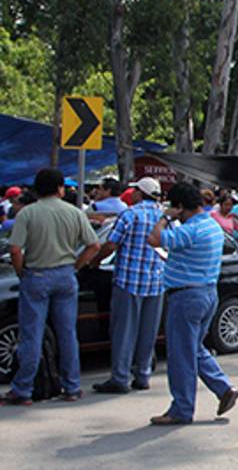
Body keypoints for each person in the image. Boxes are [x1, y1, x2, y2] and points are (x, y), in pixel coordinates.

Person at [1, 169, 100, 406]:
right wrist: (76, 265)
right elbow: (94, 245)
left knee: (32, 334)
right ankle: (72, 386)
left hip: (36, 274)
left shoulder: (28, 214)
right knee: (67, 333)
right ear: (59, 188)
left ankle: (23, 389)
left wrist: (21, 271)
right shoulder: (74, 213)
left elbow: (15, 249)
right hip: (65, 275)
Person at [146, 182, 238, 425]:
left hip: (186, 296)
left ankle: (182, 409)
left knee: (181, 355)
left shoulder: (189, 231)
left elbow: (154, 239)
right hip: (207, 292)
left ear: (179, 207)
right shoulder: (212, 226)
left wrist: (165, 218)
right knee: (194, 348)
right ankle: (223, 388)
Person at [93, 177, 166, 394]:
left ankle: (120, 377)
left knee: (124, 331)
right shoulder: (165, 217)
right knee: (148, 332)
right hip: (156, 281)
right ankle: (142, 374)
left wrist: (95, 260)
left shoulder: (130, 215)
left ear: (138, 192)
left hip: (129, 281)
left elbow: (111, 244)